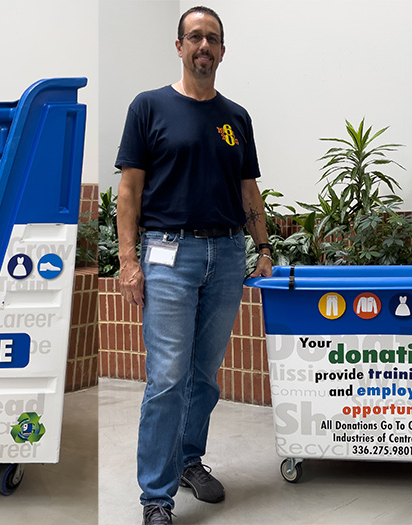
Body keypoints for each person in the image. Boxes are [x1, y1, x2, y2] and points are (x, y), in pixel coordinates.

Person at [115, 6, 273, 525]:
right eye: (195, 37)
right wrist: (128, 261)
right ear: (179, 46)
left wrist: (263, 248)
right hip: (168, 255)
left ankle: (188, 461)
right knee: (166, 377)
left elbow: (248, 190)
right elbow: (129, 191)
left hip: (226, 256)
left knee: (203, 377)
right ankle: (155, 497)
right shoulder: (149, 107)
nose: (204, 46)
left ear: (223, 50)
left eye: (213, 38)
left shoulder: (236, 117)